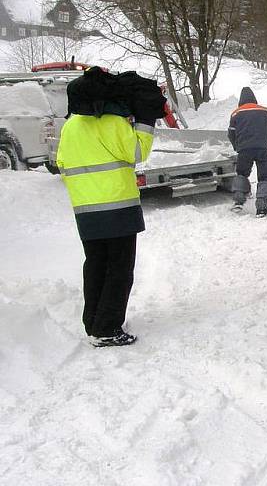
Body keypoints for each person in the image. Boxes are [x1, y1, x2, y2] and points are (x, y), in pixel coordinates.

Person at [57, 68, 163, 347]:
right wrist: (145, 122)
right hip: (117, 206)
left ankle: (94, 322)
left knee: (96, 266)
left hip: (85, 209)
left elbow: (63, 164)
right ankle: (107, 329)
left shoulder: (70, 126)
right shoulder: (112, 122)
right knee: (119, 269)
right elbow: (137, 153)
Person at [227, 87, 267, 216]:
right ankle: (262, 208)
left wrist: (237, 146)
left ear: (241, 100)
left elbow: (231, 133)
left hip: (244, 150)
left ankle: (238, 202)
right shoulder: (265, 110)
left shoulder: (236, 113)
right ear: (254, 99)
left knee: (242, 174)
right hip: (263, 149)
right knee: (265, 176)